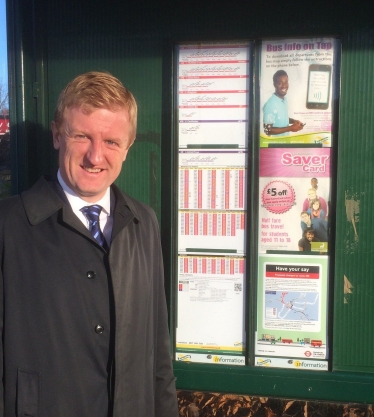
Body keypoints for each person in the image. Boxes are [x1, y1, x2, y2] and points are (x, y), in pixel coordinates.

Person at [0, 72, 178, 416]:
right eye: (82, 136)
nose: (95, 157)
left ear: (128, 146)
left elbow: (158, 355)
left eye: (111, 141)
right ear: (57, 135)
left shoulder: (144, 224)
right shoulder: (7, 226)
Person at [263, 70, 304, 136]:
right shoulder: (271, 104)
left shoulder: (284, 99)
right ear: (274, 84)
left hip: (284, 143)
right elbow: (267, 130)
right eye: (280, 83)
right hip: (275, 144)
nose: (284, 86)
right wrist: (290, 128)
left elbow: (279, 118)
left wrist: (294, 121)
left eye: (286, 82)